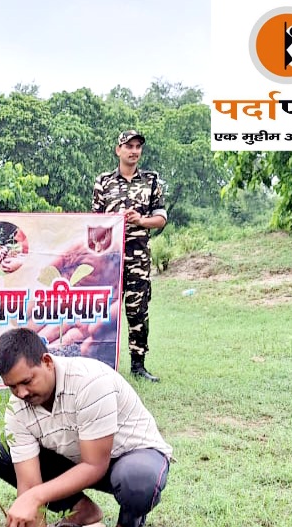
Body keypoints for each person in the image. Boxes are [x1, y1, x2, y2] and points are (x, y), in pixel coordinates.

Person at [0, 327, 172, 527]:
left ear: (47, 362)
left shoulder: (89, 382)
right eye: (12, 386)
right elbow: (29, 484)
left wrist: (33, 497)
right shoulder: (18, 410)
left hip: (129, 456)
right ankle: (82, 509)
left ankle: (129, 525)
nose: (21, 393)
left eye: (27, 381)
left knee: (137, 479)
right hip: (78, 460)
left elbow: (95, 465)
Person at [92, 130, 167, 382]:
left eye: (138, 147)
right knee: (105, 313)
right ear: (118, 150)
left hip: (138, 260)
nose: (134, 151)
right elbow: (94, 221)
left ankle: (138, 366)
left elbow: (161, 218)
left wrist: (141, 220)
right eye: (129, 146)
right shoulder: (103, 182)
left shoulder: (151, 181)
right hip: (109, 260)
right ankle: (101, 366)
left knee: (138, 312)